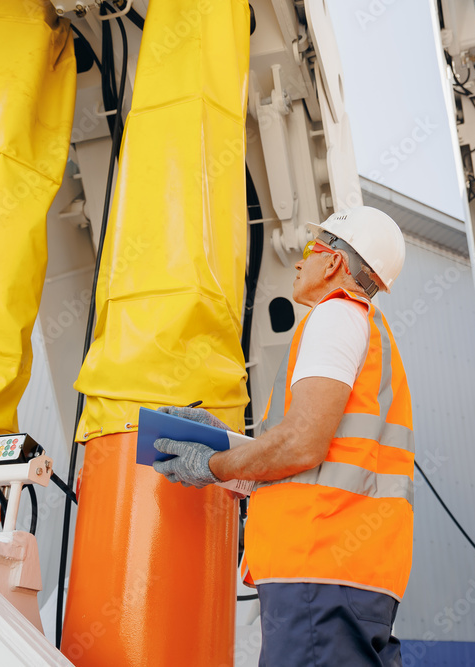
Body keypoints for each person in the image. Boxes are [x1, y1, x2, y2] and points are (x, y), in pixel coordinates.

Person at [153, 206, 414, 666]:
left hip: (317, 563)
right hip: (354, 571)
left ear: (333, 262)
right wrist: (236, 446)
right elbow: (320, 456)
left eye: (311, 249)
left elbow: (301, 444)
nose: (299, 261)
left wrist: (210, 465)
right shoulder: (369, 330)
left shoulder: (336, 316)